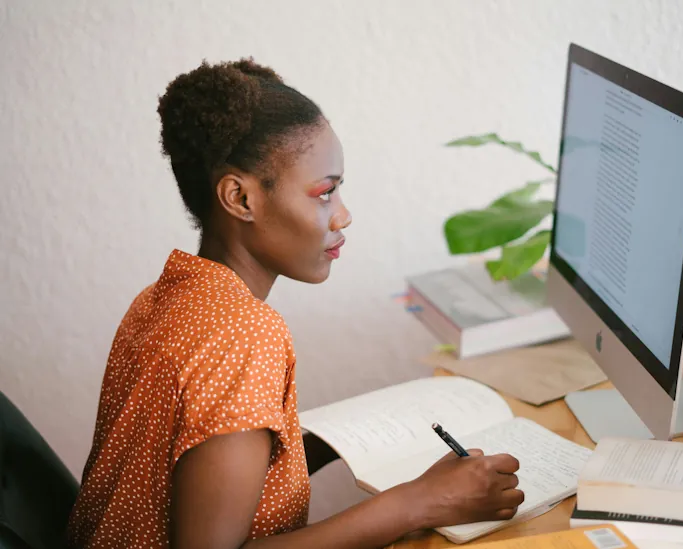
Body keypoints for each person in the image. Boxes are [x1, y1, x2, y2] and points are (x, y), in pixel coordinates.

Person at [66, 58, 524, 549]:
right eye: (325, 193)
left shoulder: (164, 297)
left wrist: (313, 448)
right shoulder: (244, 335)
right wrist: (420, 502)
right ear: (240, 199)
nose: (343, 216)